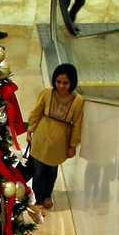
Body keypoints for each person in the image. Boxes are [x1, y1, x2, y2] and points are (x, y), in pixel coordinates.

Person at [26, 63, 83, 210]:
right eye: (59, 82)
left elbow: (77, 124)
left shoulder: (77, 101)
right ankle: (38, 199)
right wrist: (30, 129)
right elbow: (37, 112)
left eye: (65, 83)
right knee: (38, 170)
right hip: (42, 136)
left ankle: (47, 195)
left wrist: (73, 145)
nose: (61, 86)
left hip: (60, 140)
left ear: (72, 82)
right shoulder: (47, 94)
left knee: (52, 170)